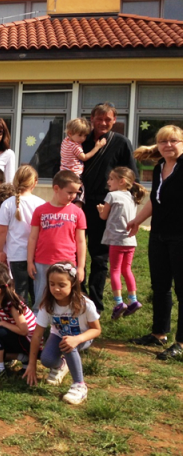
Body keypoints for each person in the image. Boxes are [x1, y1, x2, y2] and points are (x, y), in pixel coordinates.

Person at [127, 125, 183, 360]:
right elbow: (155, 200)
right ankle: (159, 333)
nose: (168, 145)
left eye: (173, 141)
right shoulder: (160, 166)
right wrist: (137, 220)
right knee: (160, 286)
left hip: (181, 235)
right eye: (163, 142)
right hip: (159, 234)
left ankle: (180, 343)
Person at [81, 102, 138, 313]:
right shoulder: (80, 140)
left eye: (108, 119)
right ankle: (77, 293)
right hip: (78, 203)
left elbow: (133, 177)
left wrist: (131, 215)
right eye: (99, 118)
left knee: (99, 255)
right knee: (74, 252)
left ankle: (95, 303)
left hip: (104, 207)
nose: (103, 123)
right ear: (91, 119)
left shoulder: (121, 142)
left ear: (114, 120)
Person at [24, 262, 101, 405]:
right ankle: (61, 365)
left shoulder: (85, 304)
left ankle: (79, 385)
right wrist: (32, 364)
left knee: (68, 344)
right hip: (58, 335)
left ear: (72, 284)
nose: (56, 289)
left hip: (83, 336)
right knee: (46, 360)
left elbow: (96, 329)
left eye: (61, 285)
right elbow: (37, 334)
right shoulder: (47, 305)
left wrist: (77, 339)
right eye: (52, 284)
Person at [27, 170, 87, 313]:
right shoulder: (40, 211)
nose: (73, 196)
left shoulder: (78, 212)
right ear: (56, 188)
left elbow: (81, 241)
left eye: (76, 193)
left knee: (66, 297)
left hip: (67, 263)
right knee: (40, 298)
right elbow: (33, 237)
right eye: (69, 192)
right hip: (42, 262)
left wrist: (80, 267)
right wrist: (30, 261)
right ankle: (37, 329)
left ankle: (65, 325)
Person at [97, 167, 146, 320]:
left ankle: (119, 302)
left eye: (111, 179)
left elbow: (104, 216)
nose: (108, 181)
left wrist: (100, 210)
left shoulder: (111, 196)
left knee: (115, 271)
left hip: (116, 240)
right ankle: (133, 300)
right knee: (127, 269)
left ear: (122, 181)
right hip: (130, 240)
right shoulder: (133, 197)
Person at [0, 165, 45, 306]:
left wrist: (0, 251)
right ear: (35, 182)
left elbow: (1, 231)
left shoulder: (7, 204)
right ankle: (39, 320)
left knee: (20, 289)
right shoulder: (41, 204)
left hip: (16, 254)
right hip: (37, 254)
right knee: (37, 290)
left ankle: (22, 320)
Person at [60, 117, 106, 207]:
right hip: (74, 174)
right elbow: (84, 157)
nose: (83, 138)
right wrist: (97, 147)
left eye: (85, 135)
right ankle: (78, 213)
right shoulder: (75, 146)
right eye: (80, 135)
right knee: (79, 196)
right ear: (70, 133)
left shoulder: (65, 141)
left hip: (63, 173)